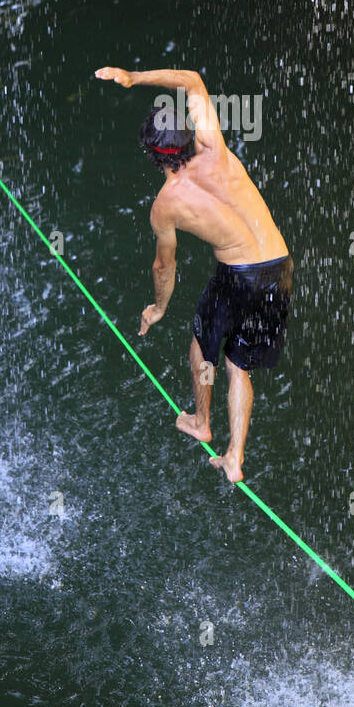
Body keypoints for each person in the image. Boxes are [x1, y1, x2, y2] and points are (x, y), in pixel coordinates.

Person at [94, 66, 293, 482]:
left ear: (153, 154)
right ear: (187, 137)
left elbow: (163, 265)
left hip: (238, 275)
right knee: (240, 365)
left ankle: (201, 422)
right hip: (278, 266)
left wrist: (158, 307)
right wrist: (134, 77)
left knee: (203, 346)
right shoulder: (212, 146)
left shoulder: (165, 205)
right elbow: (191, 80)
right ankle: (234, 457)